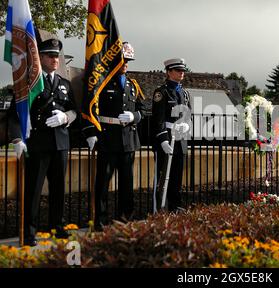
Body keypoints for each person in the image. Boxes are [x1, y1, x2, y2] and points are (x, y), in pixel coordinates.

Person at [9, 39, 77, 246]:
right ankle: (29, 233)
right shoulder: (30, 83)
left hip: (60, 144)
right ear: (41, 58)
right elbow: (14, 115)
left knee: (58, 190)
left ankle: (58, 228)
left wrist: (66, 117)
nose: (55, 59)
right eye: (50, 56)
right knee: (33, 191)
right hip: (38, 145)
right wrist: (17, 138)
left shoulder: (65, 84)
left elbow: (75, 111)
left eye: (57, 56)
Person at [83, 42, 145, 229]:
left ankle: (125, 218)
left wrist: (134, 116)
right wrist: (91, 132)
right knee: (102, 183)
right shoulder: (101, 82)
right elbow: (90, 107)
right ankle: (100, 221)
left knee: (127, 184)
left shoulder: (133, 85)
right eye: (122, 60)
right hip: (108, 139)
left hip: (128, 140)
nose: (125, 64)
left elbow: (142, 108)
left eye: (128, 61)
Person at [151, 58, 191, 212]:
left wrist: (187, 124)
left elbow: (189, 114)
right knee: (162, 177)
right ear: (169, 72)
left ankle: (175, 208)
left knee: (176, 178)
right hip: (167, 138)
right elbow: (158, 118)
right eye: (178, 70)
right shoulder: (161, 92)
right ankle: (159, 208)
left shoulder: (185, 93)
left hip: (180, 139)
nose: (182, 73)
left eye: (183, 71)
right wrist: (163, 140)